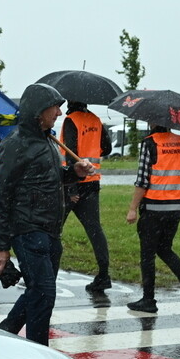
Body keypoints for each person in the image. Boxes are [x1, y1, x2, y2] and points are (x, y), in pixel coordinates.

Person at [0, 83, 94, 346]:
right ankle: (39, 351)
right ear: (39, 111)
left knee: (39, 291)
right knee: (45, 292)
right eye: (55, 107)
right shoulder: (15, 145)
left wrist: (74, 173)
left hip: (50, 231)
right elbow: (0, 196)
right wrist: (0, 246)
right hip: (27, 231)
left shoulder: (48, 140)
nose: (59, 112)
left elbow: (49, 177)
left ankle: (4, 332)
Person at [123, 125, 180, 312]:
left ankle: (148, 299)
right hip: (176, 206)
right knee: (165, 248)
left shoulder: (150, 143)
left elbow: (142, 179)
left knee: (147, 255)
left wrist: (132, 209)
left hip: (154, 208)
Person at [58, 102, 114, 292]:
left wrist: (71, 189)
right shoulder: (96, 120)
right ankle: (104, 275)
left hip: (72, 182)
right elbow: (107, 148)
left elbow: (70, 152)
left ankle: (43, 272)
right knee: (95, 230)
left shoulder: (71, 120)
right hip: (92, 180)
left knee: (53, 229)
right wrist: (92, 149)